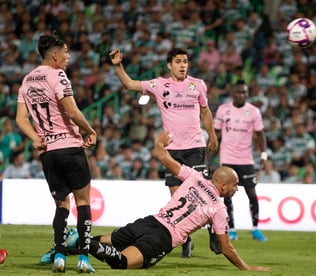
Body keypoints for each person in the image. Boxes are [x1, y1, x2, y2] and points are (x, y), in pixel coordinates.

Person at [88, 131, 270, 271]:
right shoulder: (219, 208)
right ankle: (83, 242)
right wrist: (246, 267)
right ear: (223, 186)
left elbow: (165, 159)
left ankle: (72, 244)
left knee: (106, 240)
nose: (237, 189)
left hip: (151, 221)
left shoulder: (195, 176)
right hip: (162, 238)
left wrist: (159, 143)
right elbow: (226, 247)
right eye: (235, 185)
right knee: (123, 262)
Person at [108, 47, 219, 257]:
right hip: (172, 150)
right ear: (170, 65)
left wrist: (212, 136)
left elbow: (205, 111)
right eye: (178, 61)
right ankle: (186, 239)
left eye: (185, 61)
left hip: (195, 146)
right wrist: (118, 66)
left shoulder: (198, 85)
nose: (182, 65)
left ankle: (214, 229)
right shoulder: (159, 85)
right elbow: (129, 84)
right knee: (177, 199)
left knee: (204, 193)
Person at [15, 35, 97, 273]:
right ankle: (83, 258)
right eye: (65, 52)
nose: (68, 57)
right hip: (70, 146)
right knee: (83, 202)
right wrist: (89, 129)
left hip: (48, 153)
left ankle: (59, 255)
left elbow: (20, 119)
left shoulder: (27, 80)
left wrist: (36, 138)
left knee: (61, 204)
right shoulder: (57, 75)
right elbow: (71, 110)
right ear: (54, 55)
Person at [213, 79, 268, 242]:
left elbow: (260, 134)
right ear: (233, 93)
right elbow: (215, 133)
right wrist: (209, 152)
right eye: (238, 92)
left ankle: (256, 228)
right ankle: (231, 229)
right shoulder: (223, 110)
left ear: (247, 94)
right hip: (228, 158)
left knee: (252, 193)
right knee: (227, 196)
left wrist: (264, 154)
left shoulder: (253, 112)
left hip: (246, 159)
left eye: (244, 92)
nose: (241, 95)